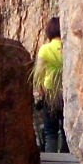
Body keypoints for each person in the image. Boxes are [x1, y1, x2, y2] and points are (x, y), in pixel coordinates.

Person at [33, 17, 66, 153]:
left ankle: (51, 158)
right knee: (66, 131)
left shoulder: (45, 49)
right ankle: (68, 160)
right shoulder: (68, 47)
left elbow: (38, 75)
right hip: (67, 94)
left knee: (50, 132)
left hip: (50, 93)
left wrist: (41, 92)